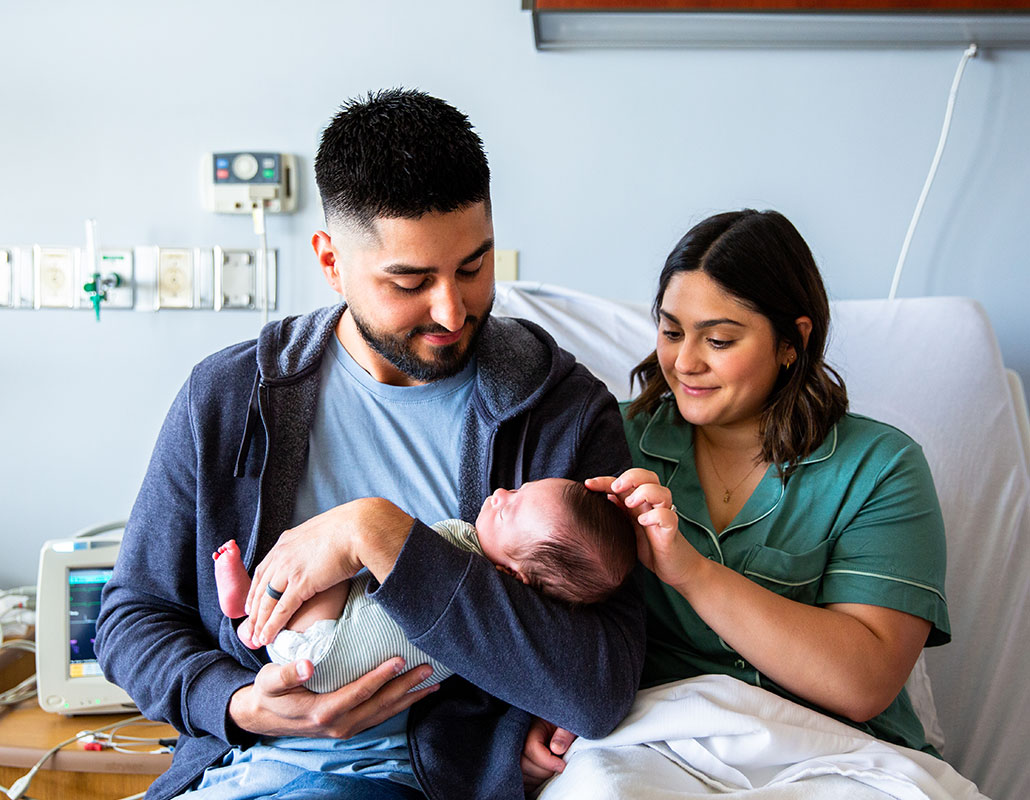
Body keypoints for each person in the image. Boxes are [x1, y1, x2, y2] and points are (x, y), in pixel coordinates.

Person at [95, 88, 646, 800]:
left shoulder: (561, 414)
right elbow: (133, 616)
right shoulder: (229, 397)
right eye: (411, 281)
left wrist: (379, 533)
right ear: (331, 261)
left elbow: (598, 685)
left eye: (475, 267)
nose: (452, 309)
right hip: (235, 770)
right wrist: (232, 704)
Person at [522, 209, 951, 794]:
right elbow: (535, 596)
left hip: (836, 756)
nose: (685, 362)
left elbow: (865, 682)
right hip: (656, 744)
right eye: (672, 332)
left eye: (718, 340)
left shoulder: (880, 468)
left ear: (791, 342)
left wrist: (692, 574)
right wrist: (532, 713)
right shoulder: (609, 443)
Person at [213, 477, 637, 693]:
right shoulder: (501, 620)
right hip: (316, 670)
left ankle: (249, 613)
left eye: (509, 509)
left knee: (327, 571)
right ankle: (247, 609)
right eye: (518, 489)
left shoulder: (466, 563)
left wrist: (363, 530)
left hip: (322, 657)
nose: (501, 493)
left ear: (513, 575)